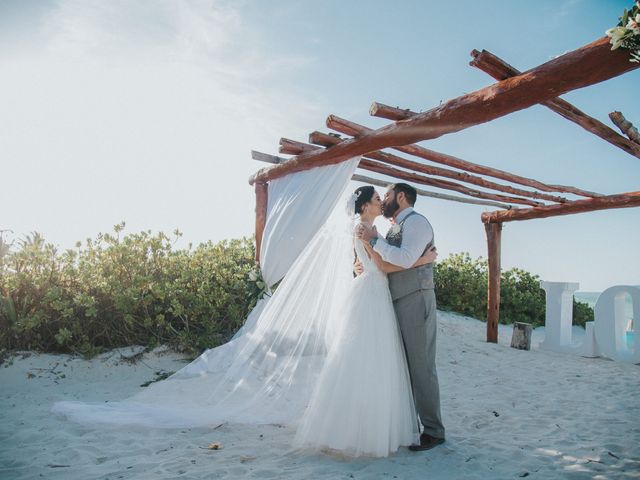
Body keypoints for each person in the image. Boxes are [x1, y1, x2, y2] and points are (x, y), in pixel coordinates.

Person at [293, 186, 436, 457]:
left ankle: (360, 423)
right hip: (373, 293)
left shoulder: (369, 228)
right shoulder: (363, 229)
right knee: (371, 360)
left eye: (384, 197)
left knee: (368, 359)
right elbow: (382, 266)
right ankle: (364, 427)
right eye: (377, 199)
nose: (382, 202)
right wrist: (424, 259)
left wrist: (365, 259)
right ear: (365, 206)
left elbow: (368, 260)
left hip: (375, 292)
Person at [357, 182, 445, 451]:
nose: (383, 200)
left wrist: (373, 240)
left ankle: (433, 431)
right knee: (404, 368)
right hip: (395, 300)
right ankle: (411, 426)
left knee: (421, 366)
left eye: (387, 195)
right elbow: (387, 263)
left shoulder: (416, 223)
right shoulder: (393, 227)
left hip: (416, 299)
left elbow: (404, 259)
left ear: (402, 196)